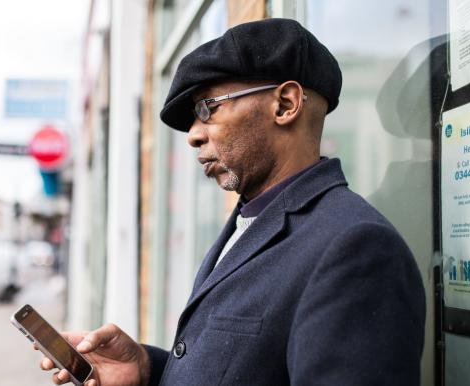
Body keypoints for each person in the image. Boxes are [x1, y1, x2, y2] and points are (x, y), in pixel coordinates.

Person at [40, 18, 425, 386]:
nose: (192, 134)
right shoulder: (250, 220)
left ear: (286, 104)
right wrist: (148, 369)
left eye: (208, 108)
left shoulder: (356, 249)